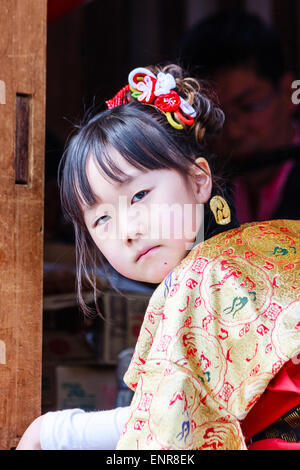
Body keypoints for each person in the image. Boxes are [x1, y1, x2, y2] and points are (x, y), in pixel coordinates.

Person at [17, 64, 300, 450]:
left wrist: (54, 433)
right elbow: (179, 416)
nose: (128, 228)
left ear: (199, 180)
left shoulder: (202, 278)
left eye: (138, 196)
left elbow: (170, 439)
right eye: (101, 218)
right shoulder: (272, 241)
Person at [178, 11, 300, 224]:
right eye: (216, 118)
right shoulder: (210, 191)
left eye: (248, 107)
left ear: (288, 93)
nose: (233, 133)